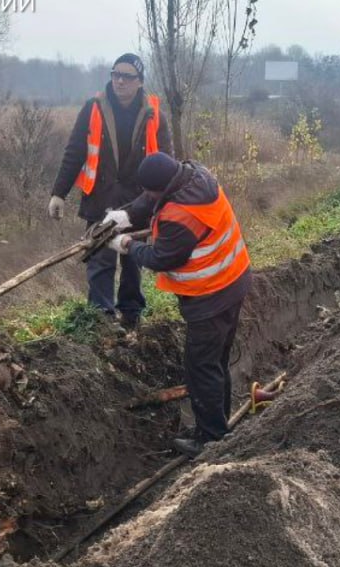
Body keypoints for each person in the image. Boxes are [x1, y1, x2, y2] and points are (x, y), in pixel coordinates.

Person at [106, 153, 251, 456]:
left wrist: (128, 244)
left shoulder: (180, 217)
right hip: (234, 280)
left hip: (211, 296)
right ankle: (216, 425)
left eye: (150, 191)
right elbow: (153, 198)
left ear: (162, 187)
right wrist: (126, 217)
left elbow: (161, 258)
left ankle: (211, 439)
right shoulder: (195, 175)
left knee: (201, 368)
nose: (147, 196)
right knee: (215, 363)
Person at [49, 54, 172, 329]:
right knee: (100, 258)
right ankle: (101, 319)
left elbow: (167, 161)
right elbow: (74, 152)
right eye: (115, 74)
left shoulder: (154, 115)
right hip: (100, 198)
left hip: (139, 201)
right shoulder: (93, 108)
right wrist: (59, 193)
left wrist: (166, 201)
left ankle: (131, 316)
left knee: (133, 261)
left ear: (139, 82)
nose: (119, 81)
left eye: (127, 76)